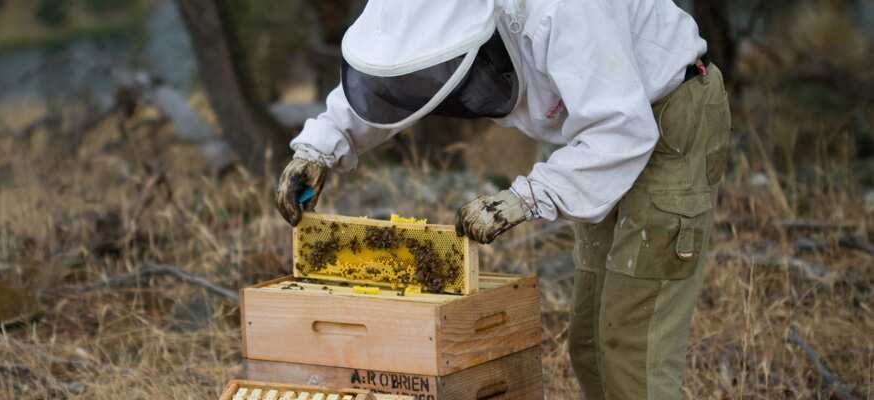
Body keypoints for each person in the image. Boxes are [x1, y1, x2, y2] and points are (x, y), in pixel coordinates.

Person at [275, 0, 731, 398]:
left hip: (664, 114)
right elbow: (397, 67)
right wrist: (322, 145)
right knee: (591, 344)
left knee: (632, 345)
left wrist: (527, 197)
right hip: (596, 130)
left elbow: (621, 129)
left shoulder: (564, 10)